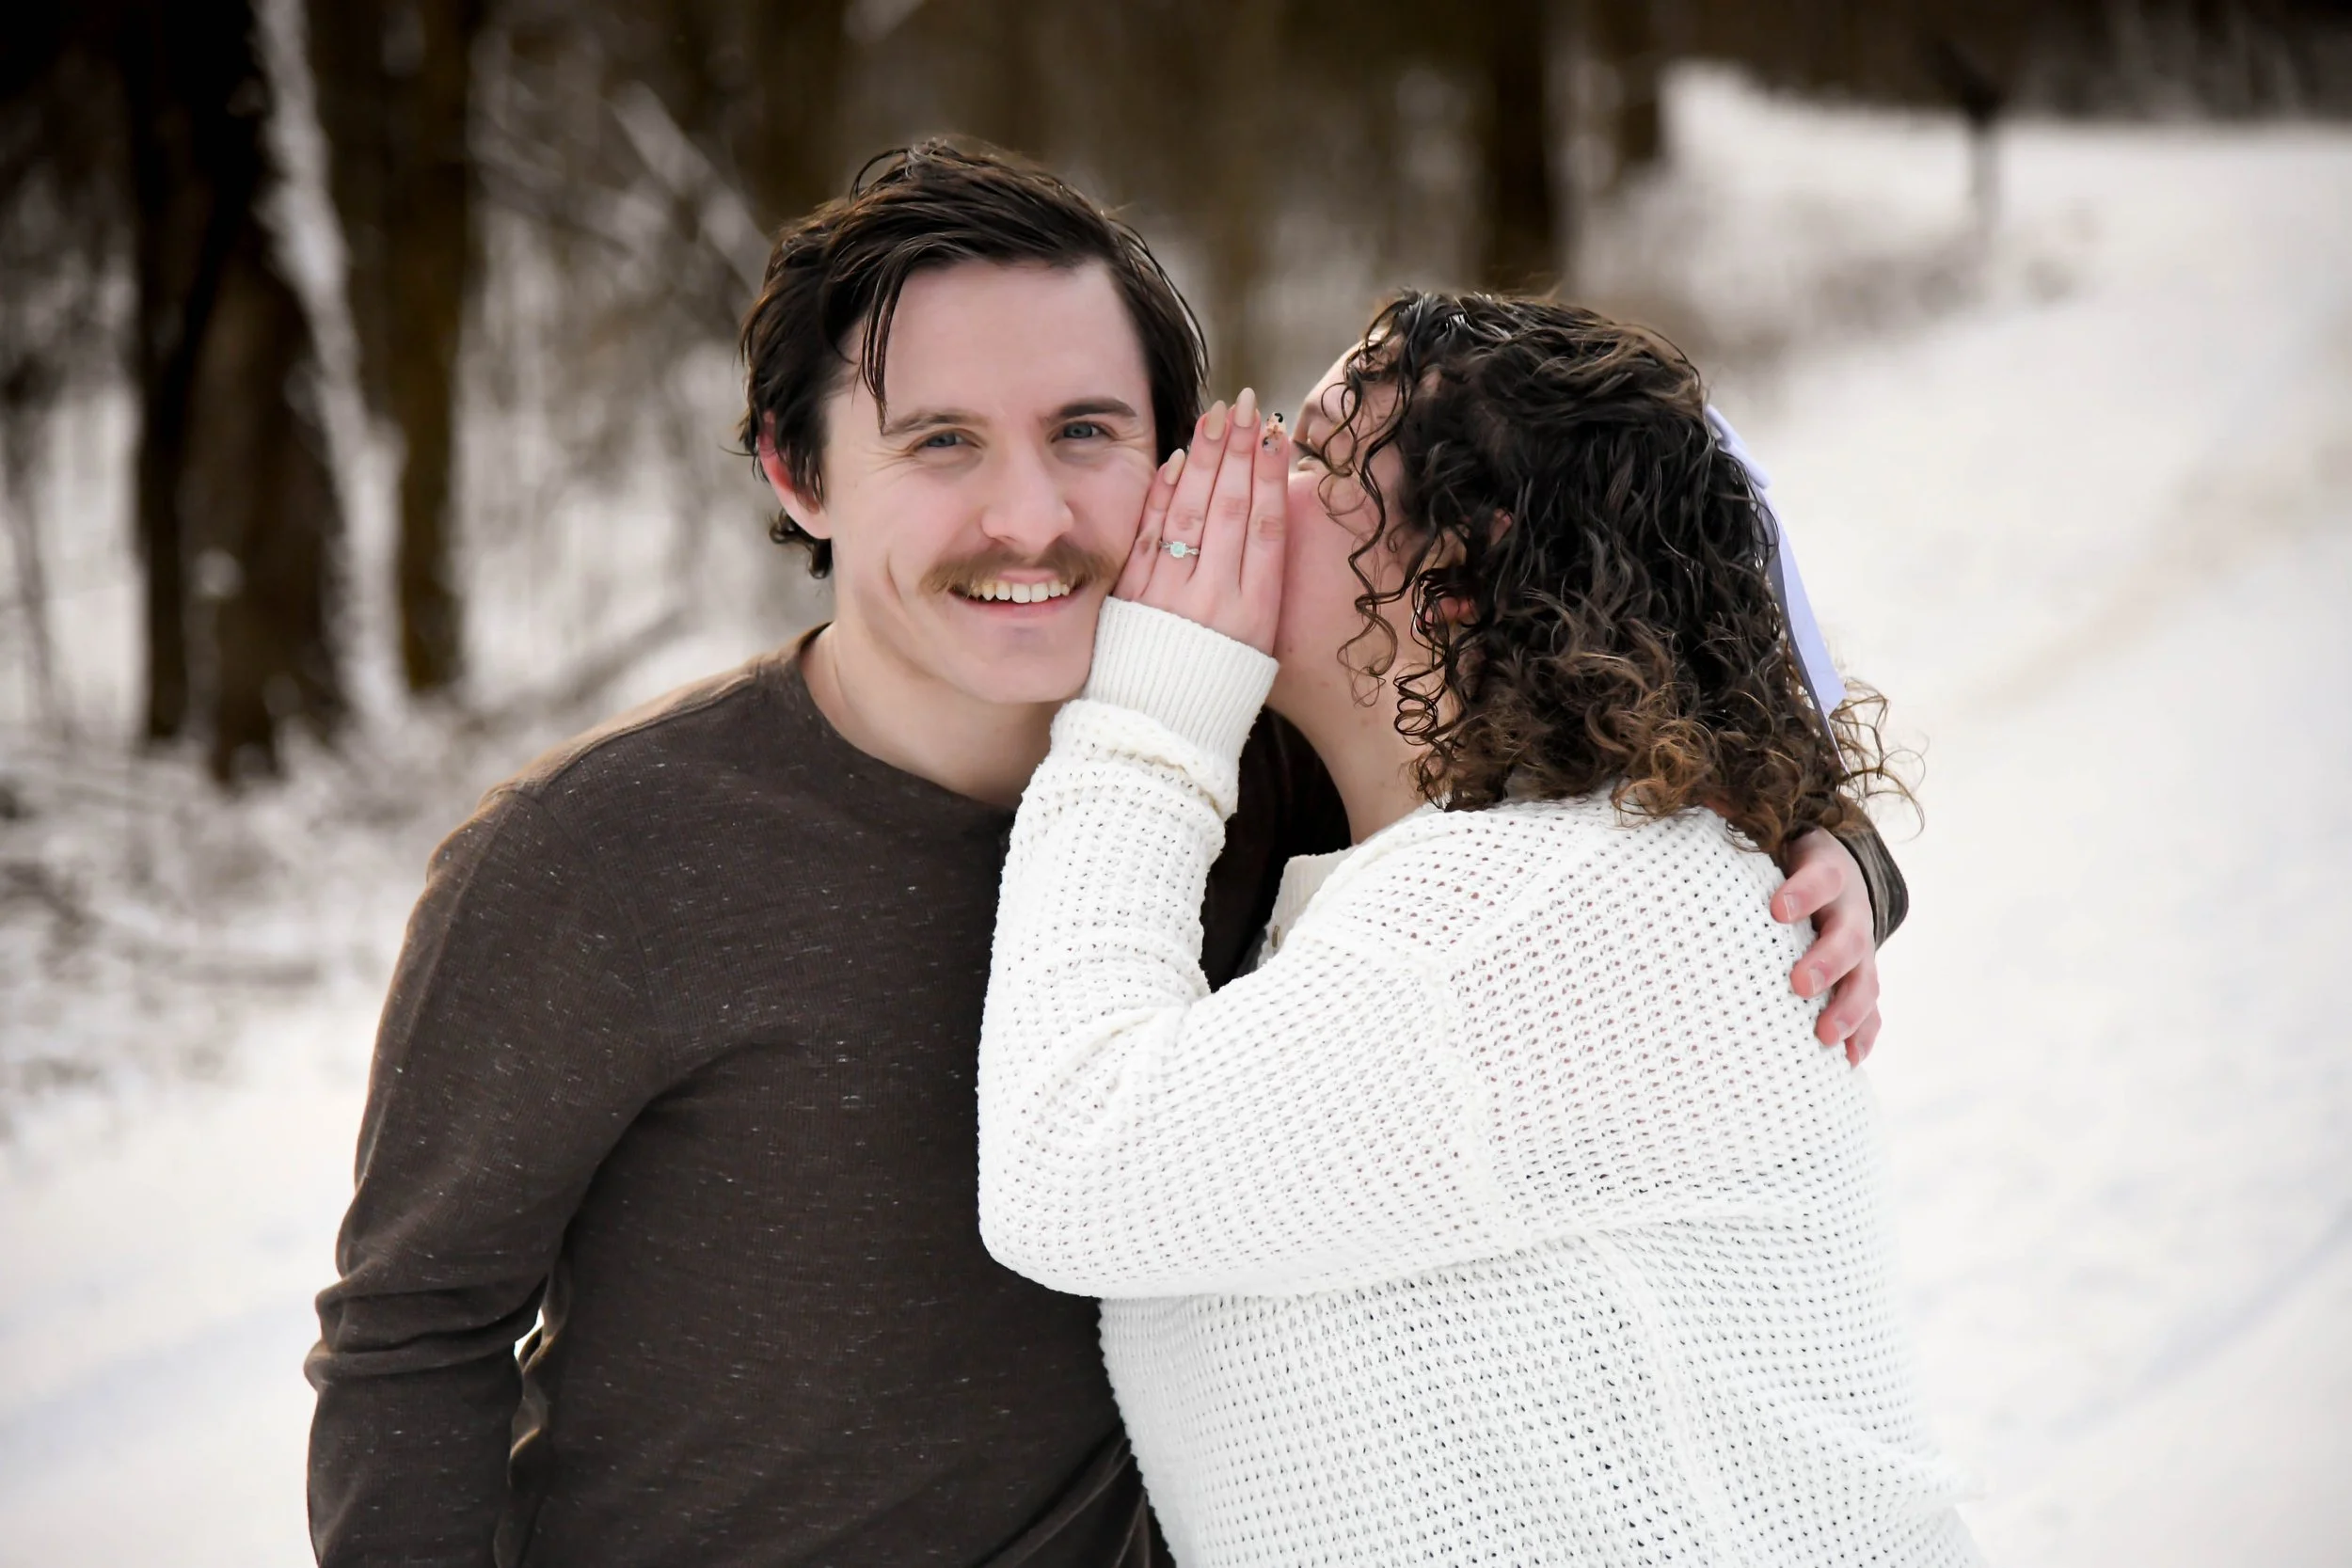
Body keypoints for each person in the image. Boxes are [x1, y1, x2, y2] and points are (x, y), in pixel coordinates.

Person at [305, 146, 1899, 1567]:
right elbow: (412, 1339)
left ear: (1170, 454)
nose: (1028, 515)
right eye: (939, 442)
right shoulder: (597, 857)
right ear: (802, 476)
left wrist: (1826, 858)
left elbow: (1619, 715)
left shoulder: (1272, 786)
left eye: (1086, 431)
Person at [977, 293, 1977, 1565]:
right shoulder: (1519, 881)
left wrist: (1150, 713)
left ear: (1451, 573)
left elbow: (1067, 1165)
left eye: (1313, 453)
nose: (1246, 476)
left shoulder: (1535, 918)